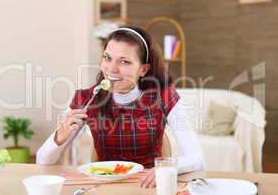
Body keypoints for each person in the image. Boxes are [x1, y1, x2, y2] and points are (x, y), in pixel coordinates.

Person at [36, 26, 205, 188]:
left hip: (147, 186)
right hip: (103, 186)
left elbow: (198, 158)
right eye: (107, 57)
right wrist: (60, 136)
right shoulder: (86, 99)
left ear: (143, 69)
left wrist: (166, 168)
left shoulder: (163, 96)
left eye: (124, 61)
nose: (111, 69)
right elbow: (43, 160)